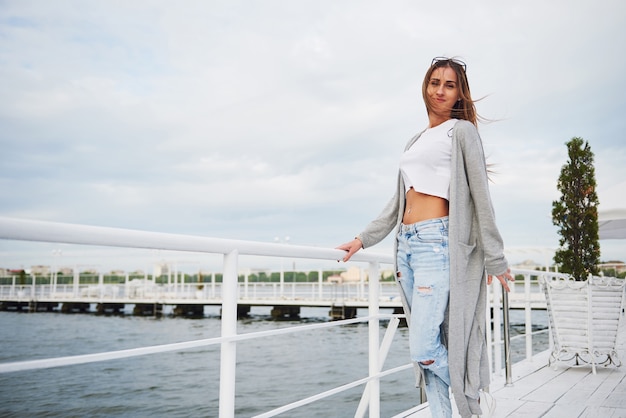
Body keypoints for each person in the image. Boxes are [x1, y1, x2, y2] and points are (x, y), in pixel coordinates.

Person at [337, 57, 514, 418]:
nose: (440, 90)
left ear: (459, 92)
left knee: (422, 347)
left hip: (438, 243)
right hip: (406, 246)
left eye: (449, 85)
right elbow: (400, 198)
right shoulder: (415, 140)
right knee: (428, 351)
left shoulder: (461, 132)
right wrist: (363, 238)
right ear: (425, 86)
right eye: (435, 82)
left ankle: (471, 400)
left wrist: (495, 257)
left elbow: (481, 195)